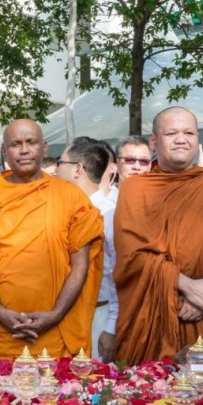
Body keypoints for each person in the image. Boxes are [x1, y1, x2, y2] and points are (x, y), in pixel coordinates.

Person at [113, 107, 203, 363]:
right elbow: (132, 254)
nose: (181, 139)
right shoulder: (135, 189)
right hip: (149, 313)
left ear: (197, 138)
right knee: (146, 392)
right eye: (171, 133)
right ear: (154, 141)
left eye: (188, 132)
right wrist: (188, 286)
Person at [0, 120, 104, 364]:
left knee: (58, 399)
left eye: (31, 143)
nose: (24, 150)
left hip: (56, 329)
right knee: (0, 400)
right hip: (3, 330)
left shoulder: (70, 196)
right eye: (15, 144)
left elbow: (81, 265)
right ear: (4, 152)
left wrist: (55, 314)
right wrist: (0, 312)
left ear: (44, 149)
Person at [57, 137, 119, 362]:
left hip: (98, 316)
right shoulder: (64, 211)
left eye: (60, 163)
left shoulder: (110, 215)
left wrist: (111, 327)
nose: (55, 170)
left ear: (77, 169)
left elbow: (117, 276)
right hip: (64, 315)